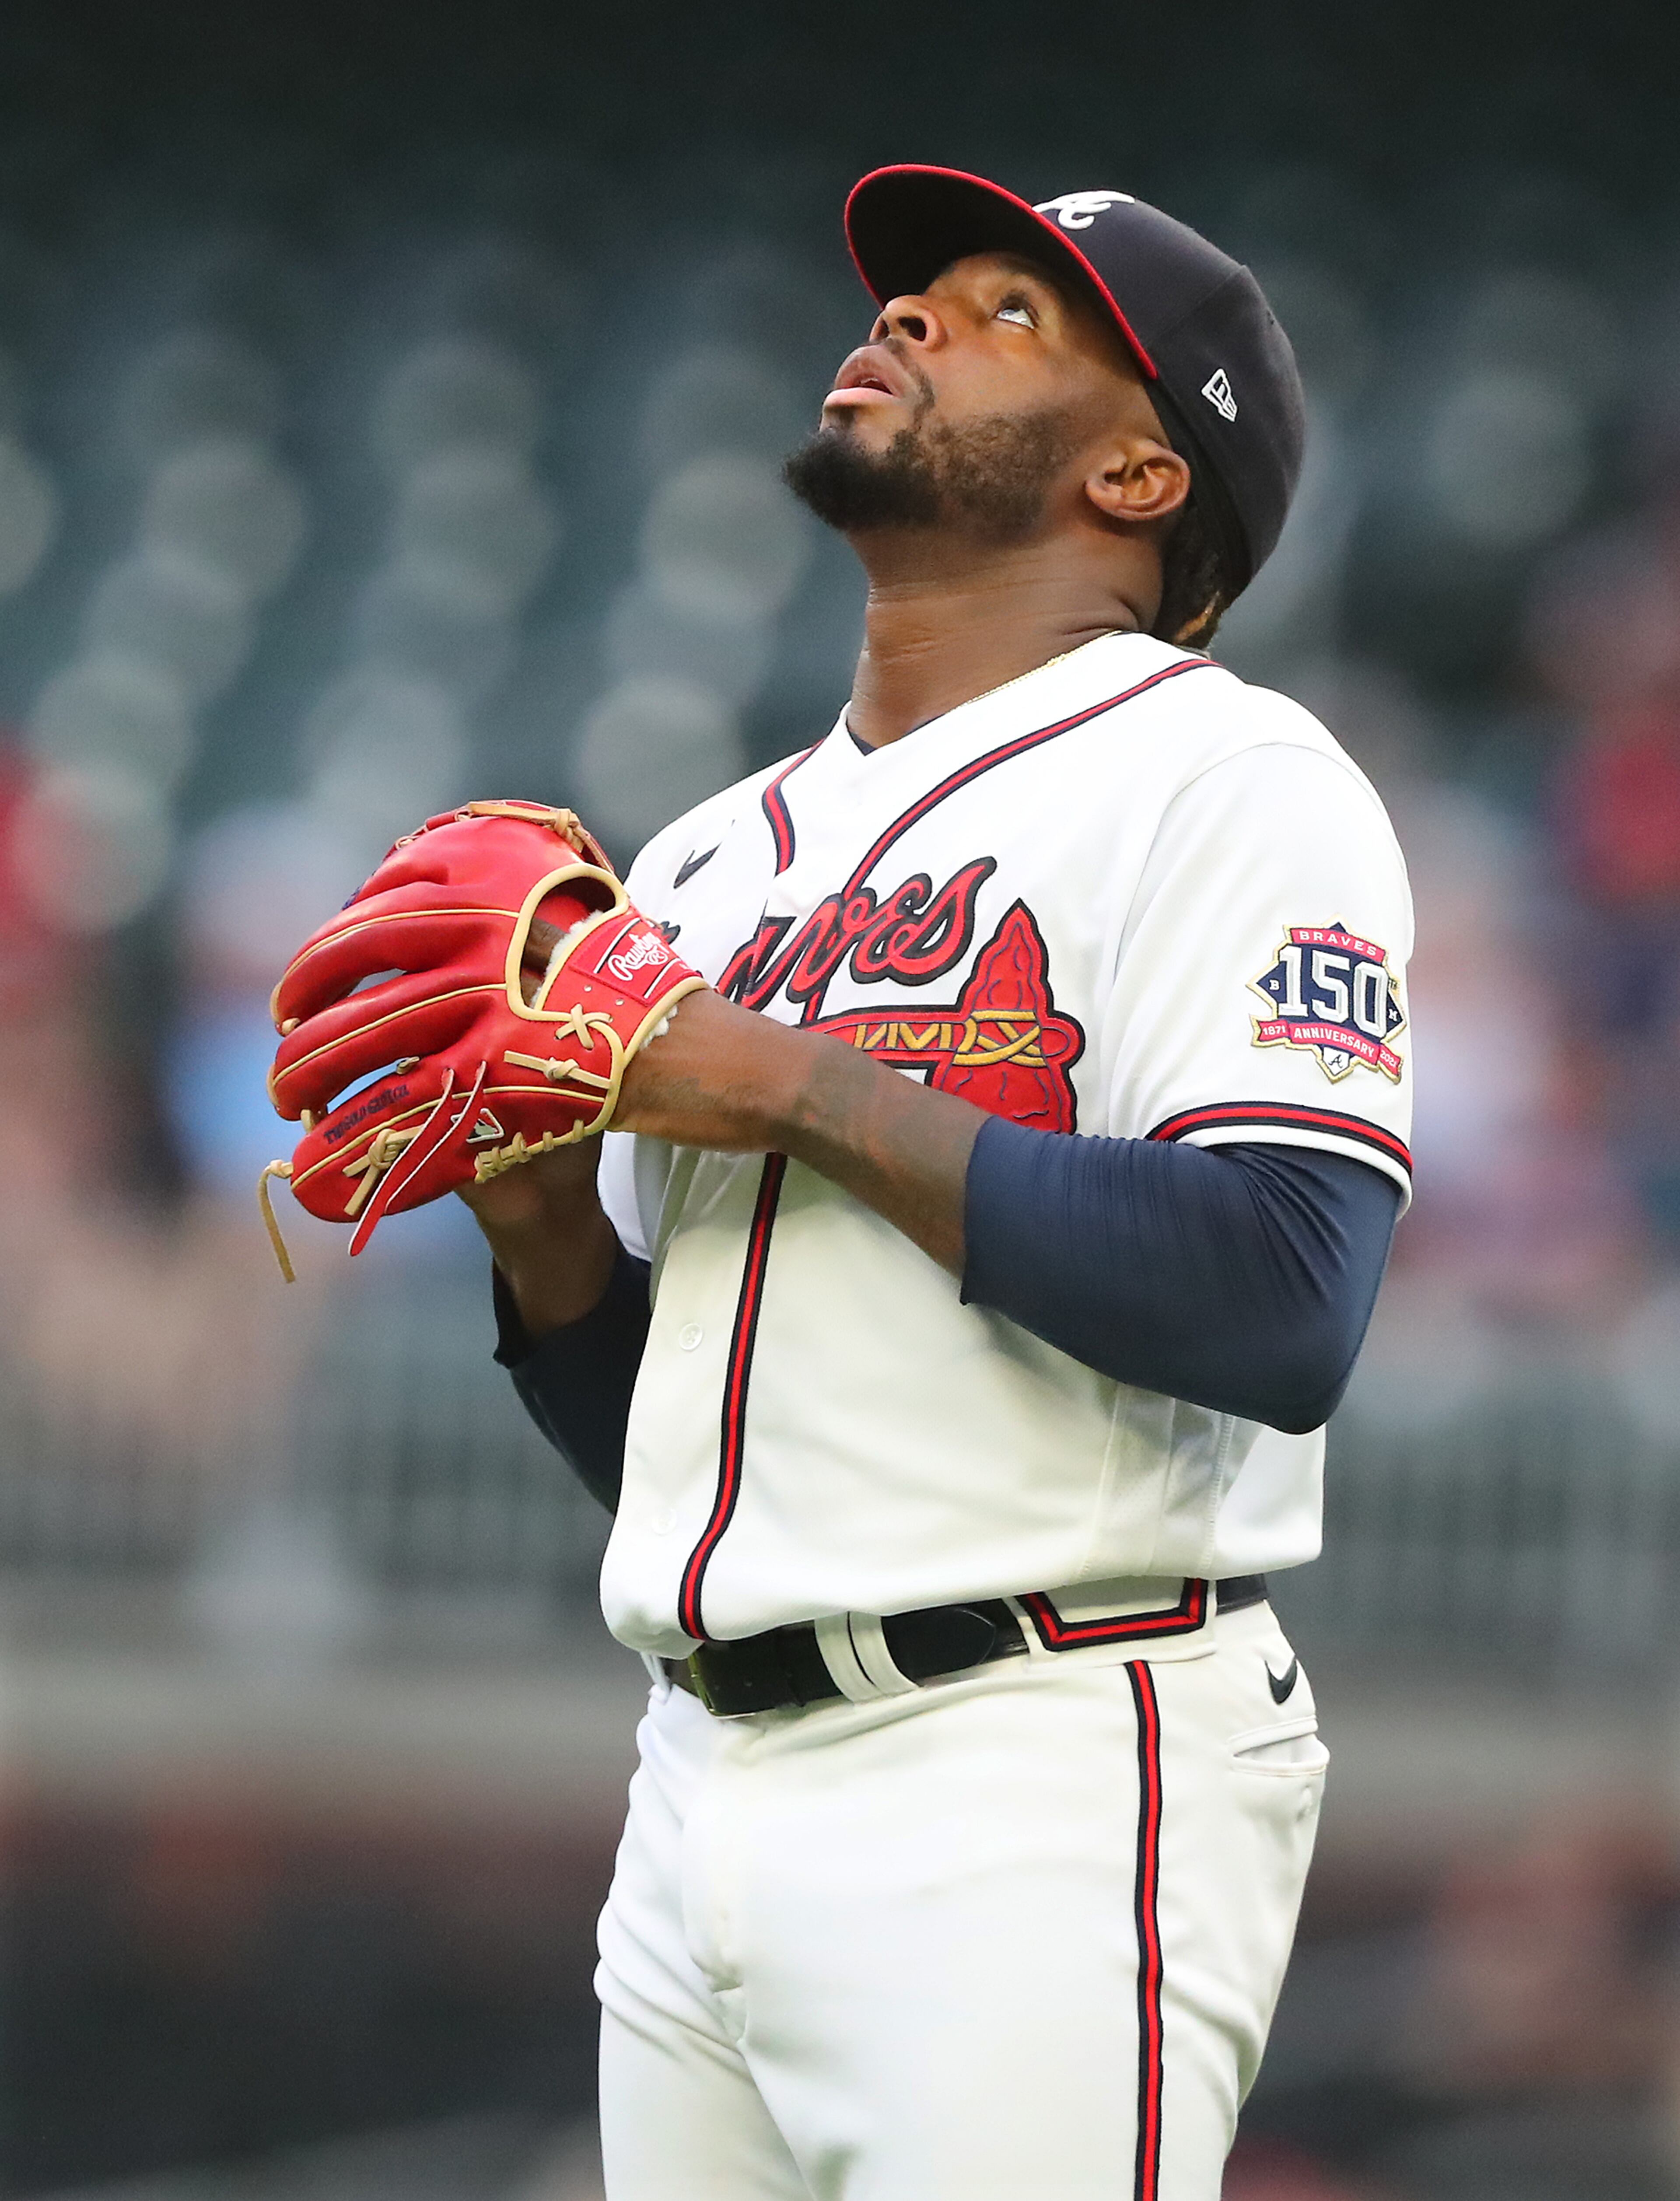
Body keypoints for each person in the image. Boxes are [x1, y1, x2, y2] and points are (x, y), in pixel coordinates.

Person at [466, 167, 1413, 2201]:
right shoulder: (715, 855)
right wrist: (535, 1223)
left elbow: (1284, 1296)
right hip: (702, 1778)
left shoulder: (1235, 781)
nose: (906, 317)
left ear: (1147, 470)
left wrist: (797, 1085)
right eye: (912, 293)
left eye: (1006, 314)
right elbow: (691, 1444)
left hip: (1044, 1767)